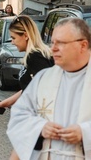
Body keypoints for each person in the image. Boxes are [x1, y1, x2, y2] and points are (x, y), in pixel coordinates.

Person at [7, 17, 91, 159]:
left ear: (83, 45)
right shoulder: (44, 78)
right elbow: (19, 115)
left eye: (61, 43)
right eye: (52, 42)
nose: (53, 48)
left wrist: (85, 132)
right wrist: (40, 127)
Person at [0, 15, 54, 159]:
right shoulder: (33, 56)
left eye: (13, 37)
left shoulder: (35, 57)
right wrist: (5, 103)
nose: (12, 42)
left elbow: (46, 89)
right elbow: (29, 88)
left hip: (39, 122)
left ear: (25, 35)